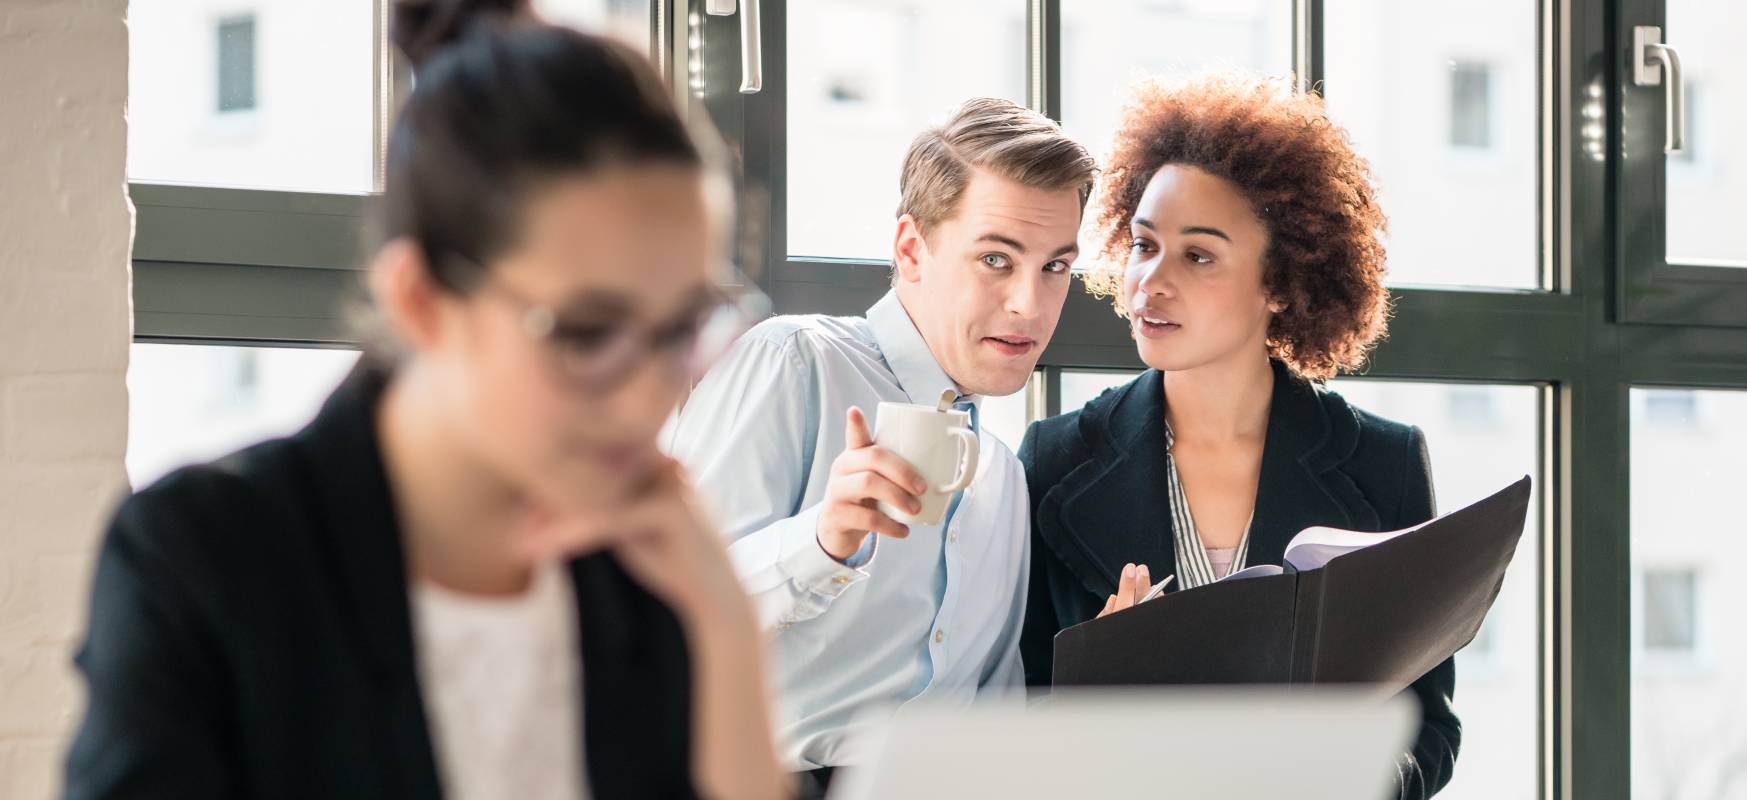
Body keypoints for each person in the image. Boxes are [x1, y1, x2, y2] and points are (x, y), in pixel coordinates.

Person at [64, 1, 782, 798]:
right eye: (586, 333)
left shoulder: (652, 574)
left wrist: (728, 634)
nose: (650, 395)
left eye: (682, 326)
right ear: (422, 300)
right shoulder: (207, 562)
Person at [1017, 74, 1460, 799]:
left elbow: (1427, 729)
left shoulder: (1384, 466)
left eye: (1198, 256)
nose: (1148, 284)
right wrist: (1098, 681)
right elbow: (1014, 718)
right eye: (1143, 245)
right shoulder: (1054, 460)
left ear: (1280, 282)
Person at [667, 98, 1095, 797]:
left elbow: (994, 712)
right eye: (996, 258)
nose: (1030, 304)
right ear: (909, 250)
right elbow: (668, 606)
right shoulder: (796, 362)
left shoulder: (1000, 477)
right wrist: (823, 540)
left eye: (1055, 267)